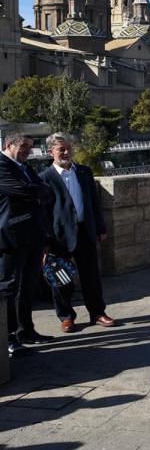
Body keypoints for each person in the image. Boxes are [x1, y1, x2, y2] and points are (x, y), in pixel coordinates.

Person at [40, 133, 117, 333]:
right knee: (62, 278)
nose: (66, 152)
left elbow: (93, 202)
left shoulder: (84, 172)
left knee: (91, 275)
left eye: (68, 148)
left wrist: (100, 228)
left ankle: (98, 313)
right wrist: (46, 242)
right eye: (61, 149)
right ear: (51, 152)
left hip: (86, 231)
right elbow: (44, 213)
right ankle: (66, 317)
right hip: (60, 237)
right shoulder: (45, 178)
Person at [0, 132, 54, 356]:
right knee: (8, 288)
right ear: (9, 145)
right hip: (11, 237)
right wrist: (36, 191)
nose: (28, 151)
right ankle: (8, 338)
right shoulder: (2, 165)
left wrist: (36, 191)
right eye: (24, 146)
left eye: (31, 147)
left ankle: (26, 330)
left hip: (32, 235)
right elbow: (22, 190)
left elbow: (46, 189)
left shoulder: (24, 167)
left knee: (28, 286)